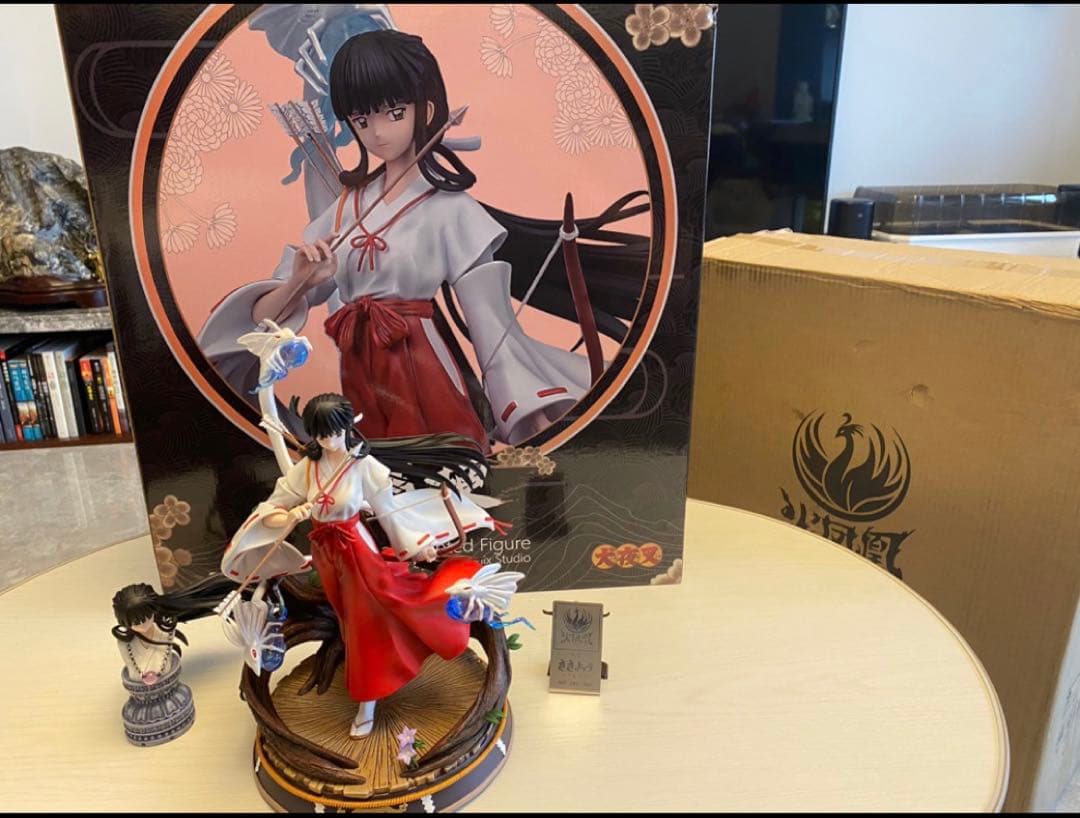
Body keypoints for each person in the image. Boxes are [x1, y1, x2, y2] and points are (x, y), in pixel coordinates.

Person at [197, 28, 649, 450]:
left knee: (441, 462)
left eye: (394, 113)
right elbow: (264, 319)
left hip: (424, 371)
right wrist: (299, 282)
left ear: (425, 111)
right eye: (362, 119)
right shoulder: (341, 211)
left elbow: (492, 329)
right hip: (359, 371)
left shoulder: (452, 211)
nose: (378, 132)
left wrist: (522, 409)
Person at [222, 392, 500, 738]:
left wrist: (415, 547)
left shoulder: (364, 466)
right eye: (321, 434)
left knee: (363, 625)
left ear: (348, 428)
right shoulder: (306, 469)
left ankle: (368, 700)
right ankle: (366, 670)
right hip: (325, 555)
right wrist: (289, 516)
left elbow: (389, 513)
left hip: (357, 553)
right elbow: (272, 508)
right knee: (347, 622)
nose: (329, 441)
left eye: (334, 433)